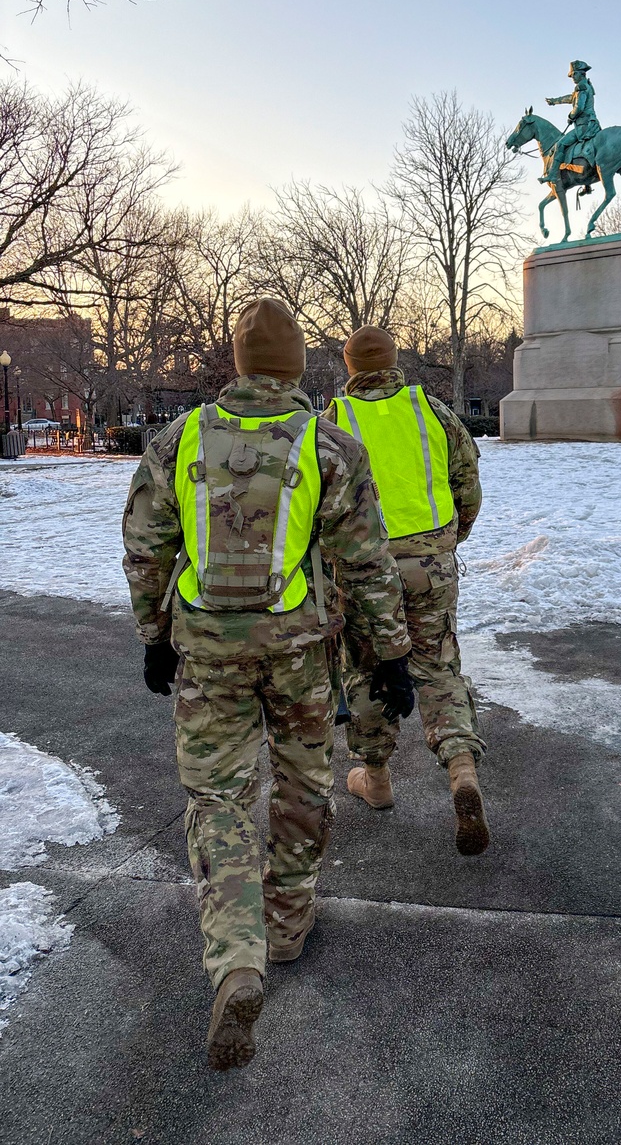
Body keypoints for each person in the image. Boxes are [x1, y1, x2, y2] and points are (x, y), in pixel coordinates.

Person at [122, 298, 413, 1072]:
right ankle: (286, 920)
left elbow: (146, 548)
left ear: (240, 362)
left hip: (208, 650)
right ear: (295, 369)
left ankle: (236, 956)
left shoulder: (178, 439)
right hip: (300, 650)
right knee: (302, 780)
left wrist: (155, 635)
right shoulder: (329, 445)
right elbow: (367, 561)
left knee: (216, 799)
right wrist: (389, 654)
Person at [324, 326, 489, 855]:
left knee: (368, 670)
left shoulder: (331, 422)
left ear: (349, 366)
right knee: (439, 668)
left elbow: (317, 509)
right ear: (395, 361)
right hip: (431, 564)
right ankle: (461, 768)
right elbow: (467, 489)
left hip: (363, 571)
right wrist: (443, 543)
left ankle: (375, 779)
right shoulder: (434, 412)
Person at [543, 59, 601, 184]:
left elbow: (579, 107)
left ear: (582, 73)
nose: (572, 77)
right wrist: (554, 101)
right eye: (572, 75)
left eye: (574, 74)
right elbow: (571, 98)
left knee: (560, 145)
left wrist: (571, 116)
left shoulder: (581, 86)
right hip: (592, 124)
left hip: (584, 126)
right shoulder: (586, 86)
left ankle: (552, 175)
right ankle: (587, 184)